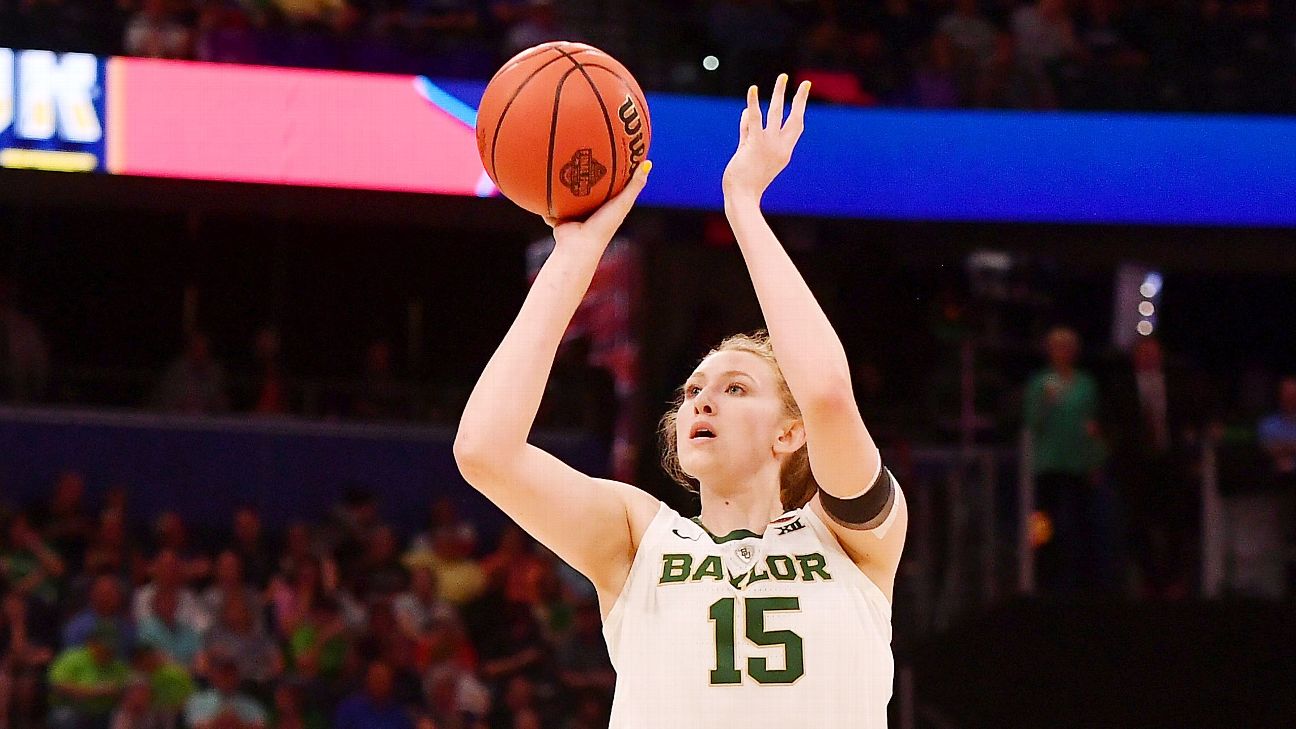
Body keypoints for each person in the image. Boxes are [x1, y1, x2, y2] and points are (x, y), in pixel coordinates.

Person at [455, 75, 906, 728]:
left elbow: (830, 396)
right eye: (693, 390)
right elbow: (483, 450)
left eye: (735, 387)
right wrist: (576, 254)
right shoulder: (639, 541)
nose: (702, 400)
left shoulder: (853, 540)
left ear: (788, 433)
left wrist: (743, 204)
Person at [1023, 326, 1106, 594]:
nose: (1062, 353)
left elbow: (1093, 426)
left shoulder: (1086, 384)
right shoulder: (1039, 383)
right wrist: (1045, 404)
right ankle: (1043, 578)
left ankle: (1082, 582)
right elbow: (1031, 423)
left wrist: (1095, 461)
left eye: (1066, 347)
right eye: (1056, 347)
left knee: (1080, 522)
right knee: (1044, 524)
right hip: (1046, 466)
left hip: (1078, 465)